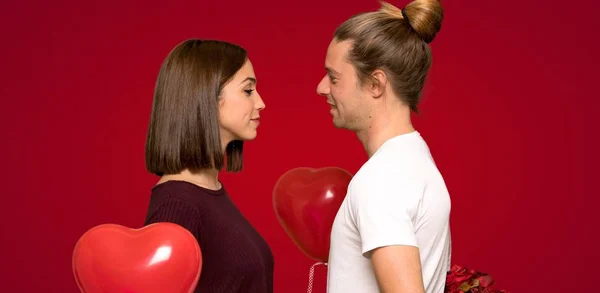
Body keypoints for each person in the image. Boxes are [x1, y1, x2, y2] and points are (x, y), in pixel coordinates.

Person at [316, 0, 451, 292]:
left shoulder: (382, 181)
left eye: (334, 77)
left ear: (376, 84)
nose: (322, 88)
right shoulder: (413, 160)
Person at [142, 39, 273, 293]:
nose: (260, 103)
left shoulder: (210, 191)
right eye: (248, 91)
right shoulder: (177, 204)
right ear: (206, 97)